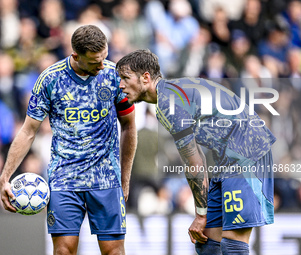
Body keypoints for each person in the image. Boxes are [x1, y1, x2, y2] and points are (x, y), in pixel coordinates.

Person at [116, 49, 276, 255]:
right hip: (226, 158)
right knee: (207, 242)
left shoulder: (168, 103)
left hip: (247, 151)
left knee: (233, 245)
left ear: (146, 78)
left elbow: (194, 164)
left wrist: (201, 214)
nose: (121, 85)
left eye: (125, 78)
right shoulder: (171, 93)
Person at [0, 25, 137, 255]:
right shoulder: (50, 79)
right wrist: (5, 176)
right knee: (63, 251)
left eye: (104, 57)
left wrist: (124, 177)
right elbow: (27, 131)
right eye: (95, 62)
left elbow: (129, 126)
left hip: (105, 178)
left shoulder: (115, 76)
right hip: (64, 179)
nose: (102, 65)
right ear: (76, 56)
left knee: (114, 252)